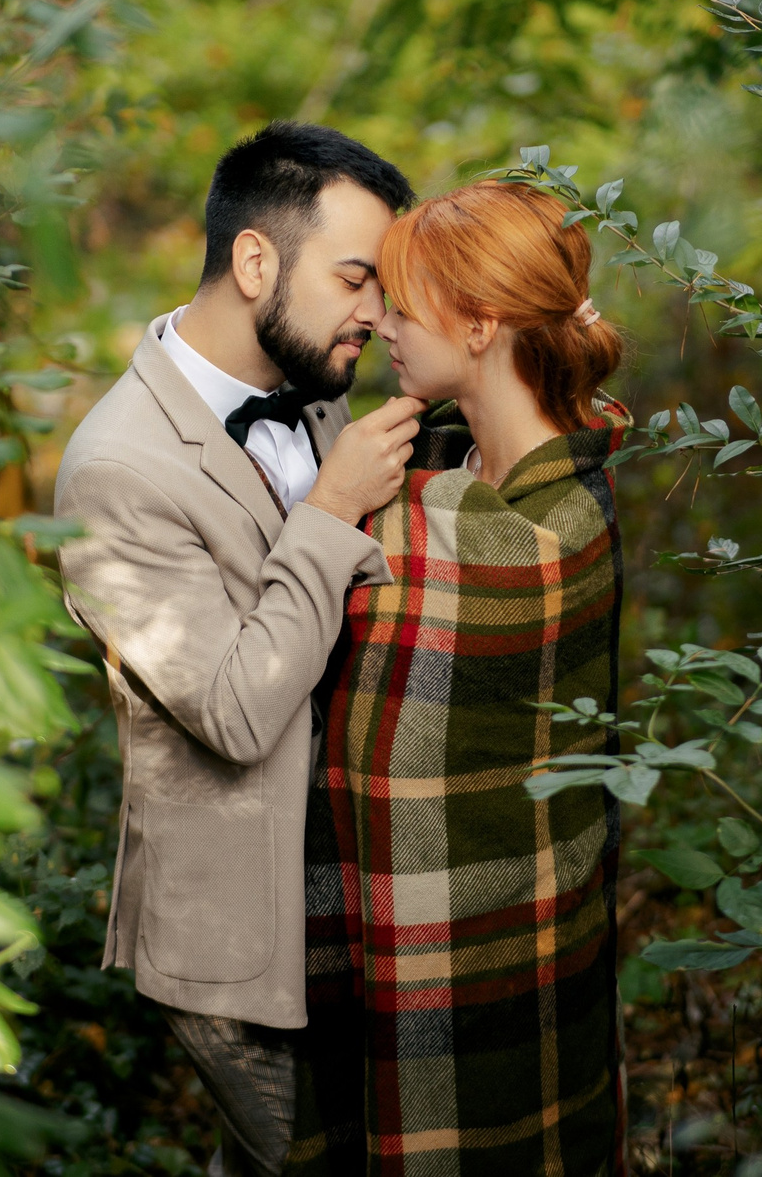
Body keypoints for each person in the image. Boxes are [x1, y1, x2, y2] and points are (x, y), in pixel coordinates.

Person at [55, 123, 429, 1177]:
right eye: (354, 278)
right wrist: (333, 510)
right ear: (254, 260)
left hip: (353, 898)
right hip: (243, 941)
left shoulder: (322, 393)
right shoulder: (114, 470)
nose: (375, 312)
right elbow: (234, 708)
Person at [290, 180, 629, 1177]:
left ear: (480, 326)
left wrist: (333, 507)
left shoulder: (550, 520)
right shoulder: (440, 462)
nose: (380, 323)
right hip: (380, 937)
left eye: (403, 304)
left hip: (509, 944)